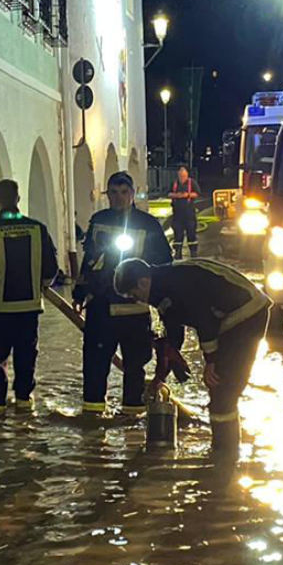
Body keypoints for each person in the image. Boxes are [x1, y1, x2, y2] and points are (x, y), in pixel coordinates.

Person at [114, 257, 272, 457]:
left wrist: (211, 361)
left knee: (223, 389)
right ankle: (222, 451)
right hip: (227, 318)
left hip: (246, 314)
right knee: (219, 390)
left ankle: (225, 455)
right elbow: (174, 330)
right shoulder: (160, 288)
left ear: (143, 282)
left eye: (135, 294)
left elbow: (205, 321)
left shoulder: (177, 283)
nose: (137, 300)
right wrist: (162, 373)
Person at [72, 171, 172, 417]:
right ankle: (93, 424)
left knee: (135, 367)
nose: (118, 198)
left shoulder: (148, 225)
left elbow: (164, 264)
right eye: (113, 193)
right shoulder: (98, 220)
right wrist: (79, 292)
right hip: (100, 308)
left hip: (134, 311)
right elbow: (89, 260)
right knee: (95, 366)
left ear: (133, 194)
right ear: (107, 195)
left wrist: (158, 299)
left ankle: (132, 419)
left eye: (124, 192)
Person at [0, 179, 58, 414]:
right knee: (26, 361)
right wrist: (37, 286)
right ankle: (24, 406)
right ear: (18, 199)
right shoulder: (38, 230)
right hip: (29, 310)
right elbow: (51, 270)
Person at [168, 165, 201, 259]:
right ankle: (178, 253)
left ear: (187, 175)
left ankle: (193, 254)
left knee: (191, 233)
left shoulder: (192, 183)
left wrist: (187, 195)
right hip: (177, 214)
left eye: (184, 175)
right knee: (178, 234)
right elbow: (168, 193)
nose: (182, 177)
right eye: (180, 175)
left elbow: (197, 193)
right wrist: (176, 195)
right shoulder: (174, 183)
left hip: (189, 213)